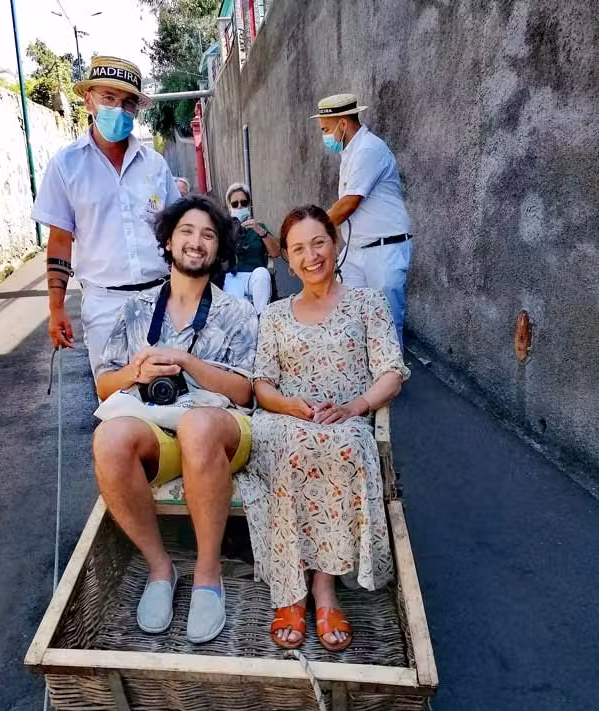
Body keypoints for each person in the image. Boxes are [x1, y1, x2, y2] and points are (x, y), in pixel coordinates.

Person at [238, 205, 409, 652]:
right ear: (288, 260)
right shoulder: (275, 315)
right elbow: (262, 385)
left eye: (318, 243)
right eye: (298, 249)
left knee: (349, 446)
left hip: (345, 418)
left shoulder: (368, 303)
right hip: (284, 419)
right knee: (294, 445)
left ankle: (325, 588)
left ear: (335, 244)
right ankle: (291, 591)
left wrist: (357, 406)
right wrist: (290, 406)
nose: (311, 256)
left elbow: (392, 371)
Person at [93, 195, 258, 644]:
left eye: (208, 235)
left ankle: (208, 572)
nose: (196, 242)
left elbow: (245, 391)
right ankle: (160, 568)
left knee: (197, 425)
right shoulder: (137, 310)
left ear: (218, 250)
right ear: (168, 241)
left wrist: (187, 362)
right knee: (109, 439)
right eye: (186, 231)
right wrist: (137, 372)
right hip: (158, 432)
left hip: (222, 432)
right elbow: (106, 387)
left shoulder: (237, 312)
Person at [32, 56, 181, 373]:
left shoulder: (155, 166)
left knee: (172, 395)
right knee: (116, 403)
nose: (119, 109)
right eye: (108, 98)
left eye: (128, 103)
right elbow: (60, 241)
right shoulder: (67, 166)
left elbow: (178, 232)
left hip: (163, 298)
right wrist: (56, 308)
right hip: (104, 304)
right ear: (89, 101)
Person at [313, 93, 412, 347]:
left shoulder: (369, 149)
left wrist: (311, 229)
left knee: (385, 325)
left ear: (343, 124)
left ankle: (390, 385)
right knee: (348, 316)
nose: (324, 136)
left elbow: (348, 204)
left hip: (383, 251)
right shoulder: (350, 152)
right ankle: (360, 379)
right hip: (357, 252)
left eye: (326, 129)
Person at [222, 183, 281, 315]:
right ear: (229, 207)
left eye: (243, 203)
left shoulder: (259, 227)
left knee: (262, 273)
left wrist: (261, 232)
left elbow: (276, 253)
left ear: (249, 205)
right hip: (234, 276)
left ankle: (261, 318)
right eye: (235, 204)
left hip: (255, 275)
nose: (240, 207)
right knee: (236, 310)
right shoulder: (224, 229)